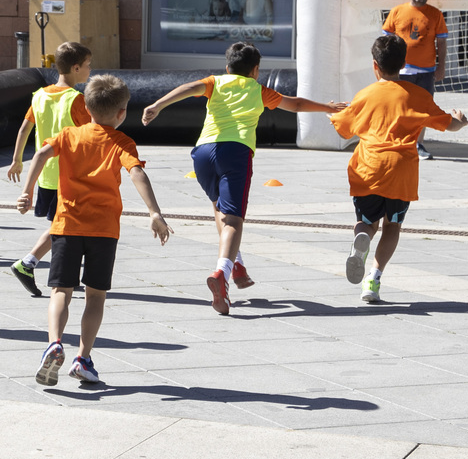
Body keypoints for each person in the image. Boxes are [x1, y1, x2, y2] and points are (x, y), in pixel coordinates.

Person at [141, 42, 344, 315]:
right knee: (234, 220)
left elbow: (189, 88)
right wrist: (327, 107)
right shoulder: (259, 91)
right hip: (234, 152)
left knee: (219, 206)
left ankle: (234, 264)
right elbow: (294, 104)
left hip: (202, 153)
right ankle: (221, 272)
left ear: (227, 67)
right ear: (256, 71)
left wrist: (158, 104)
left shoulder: (215, 82)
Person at [18, 75, 170, 386]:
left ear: (86, 108)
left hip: (67, 225)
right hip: (103, 229)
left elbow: (41, 154)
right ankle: (83, 358)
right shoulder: (122, 142)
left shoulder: (69, 135)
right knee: (95, 296)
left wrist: (28, 190)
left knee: (61, 291)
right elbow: (137, 173)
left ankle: (55, 343)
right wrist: (154, 212)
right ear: (122, 112)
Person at [330, 35, 468, 303]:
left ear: (374, 66)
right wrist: (460, 121)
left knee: (368, 223)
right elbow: (447, 124)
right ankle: (373, 278)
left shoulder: (365, 95)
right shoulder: (417, 95)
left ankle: (362, 238)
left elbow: (344, 126)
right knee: (392, 226)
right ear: (403, 63)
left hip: (369, 167)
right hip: (401, 171)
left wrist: (332, 115)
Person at [7, 41, 93, 296]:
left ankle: (47, 267)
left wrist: (17, 159)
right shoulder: (76, 100)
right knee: (64, 226)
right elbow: (92, 135)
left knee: (64, 224)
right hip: (70, 175)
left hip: (47, 174)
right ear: (76, 68)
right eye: (88, 66)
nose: (90, 70)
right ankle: (30, 263)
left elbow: (24, 129)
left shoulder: (40, 95)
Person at [382, 0, 448, 159]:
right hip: (400, 71)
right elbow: (385, 42)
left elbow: (441, 43)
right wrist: (384, 66)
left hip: (426, 72)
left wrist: (441, 66)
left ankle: (418, 145)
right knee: (398, 109)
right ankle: (396, 143)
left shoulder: (435, 14)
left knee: (423, 110)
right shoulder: (397, 11)